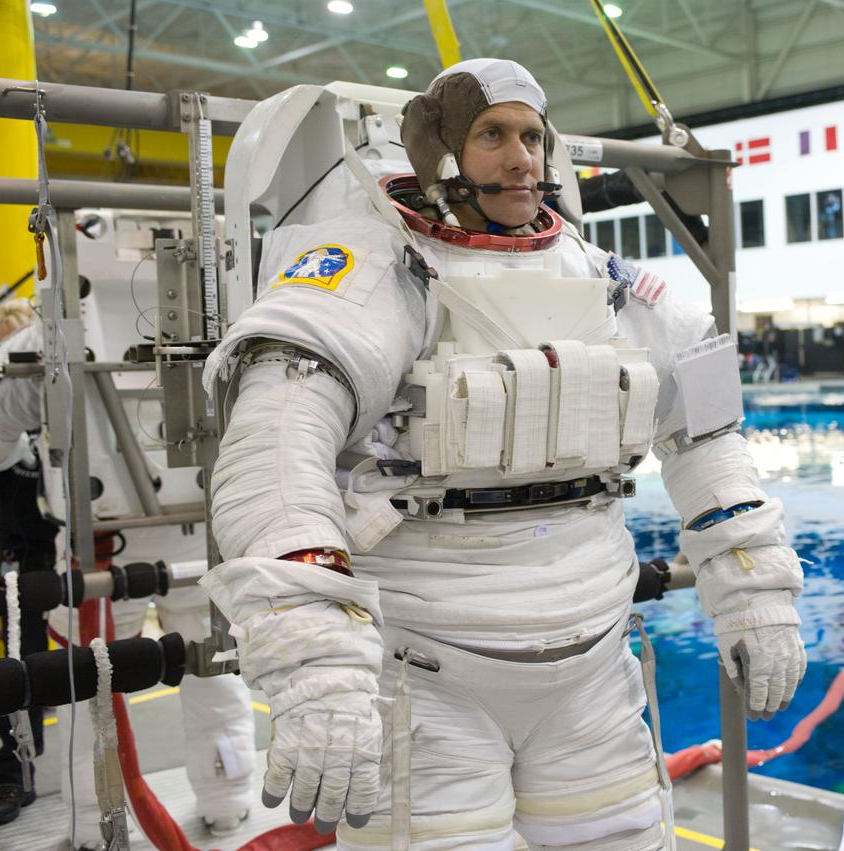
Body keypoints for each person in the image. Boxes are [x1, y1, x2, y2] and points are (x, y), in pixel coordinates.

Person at [201, 58, 806, 850]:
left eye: (531, 136)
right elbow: (276, 458)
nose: (521, 157)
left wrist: (753, 588)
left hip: (593, 671)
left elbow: (707, 434)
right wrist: (316, 665)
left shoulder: (603, 279)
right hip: (425, 677)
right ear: (440, 149)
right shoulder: (375, 272)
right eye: (493, 135)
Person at [0, 299, 256, 844]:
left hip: (110, 541)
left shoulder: (57, 329)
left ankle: (96, 822)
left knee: (94, 686)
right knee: (205, 673)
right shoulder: (230, 308)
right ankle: (225, 796)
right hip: (188, 535)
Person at [0, 299, 57, 827]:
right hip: (22, 549)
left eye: (19, 338)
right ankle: (14, 771)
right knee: (18, 662)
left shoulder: (62, 389)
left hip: (73, 542)